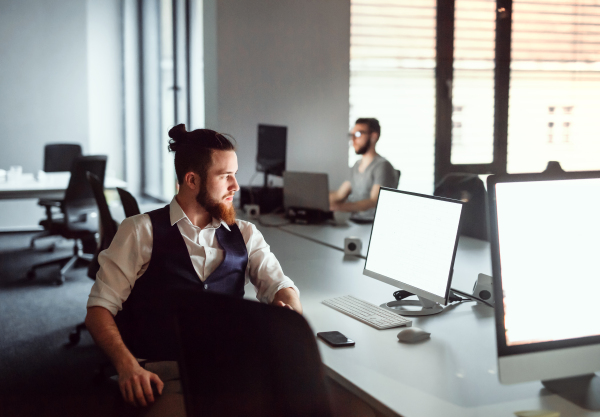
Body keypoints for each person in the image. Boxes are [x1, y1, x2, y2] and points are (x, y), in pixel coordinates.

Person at [85, 124, 302, 415]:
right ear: (191, 180)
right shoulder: (140, 231)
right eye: (225, 176)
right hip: (162, 374)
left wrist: (288, 309)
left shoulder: (246, 234)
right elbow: (99, 309)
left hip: (228, 373)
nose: (235, 186)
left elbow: (279, 286)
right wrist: (127, 367)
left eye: (235, 175)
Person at [329, 117, 398, 219]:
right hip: (354, 222)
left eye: (358, 134)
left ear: (374, 136)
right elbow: (340, 194)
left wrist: (340, 207)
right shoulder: (356, 165)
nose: (353, 139)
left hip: (370, 224)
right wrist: (317, 199)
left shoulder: (383, 166)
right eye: (351, 135)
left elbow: (374, 201)